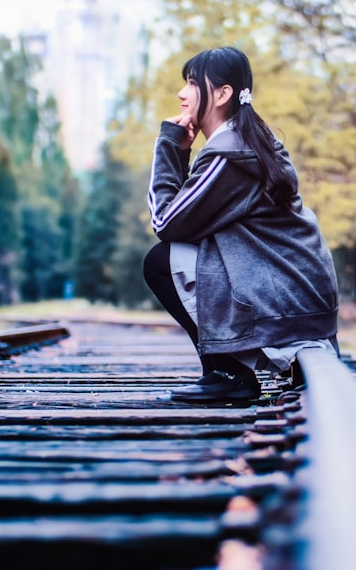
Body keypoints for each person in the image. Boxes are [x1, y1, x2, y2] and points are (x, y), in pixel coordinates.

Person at [144, 46, 340, 403]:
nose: (181, 94)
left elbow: (166, 222)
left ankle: (228, 374)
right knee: (187, 251)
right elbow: (189, 219)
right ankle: (245, 367)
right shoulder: (249, 142)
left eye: (191, 83)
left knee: (160, 261)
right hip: (298, 298)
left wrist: (168, 147)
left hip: (286, 301)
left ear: (222, 94)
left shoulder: (230, 154)